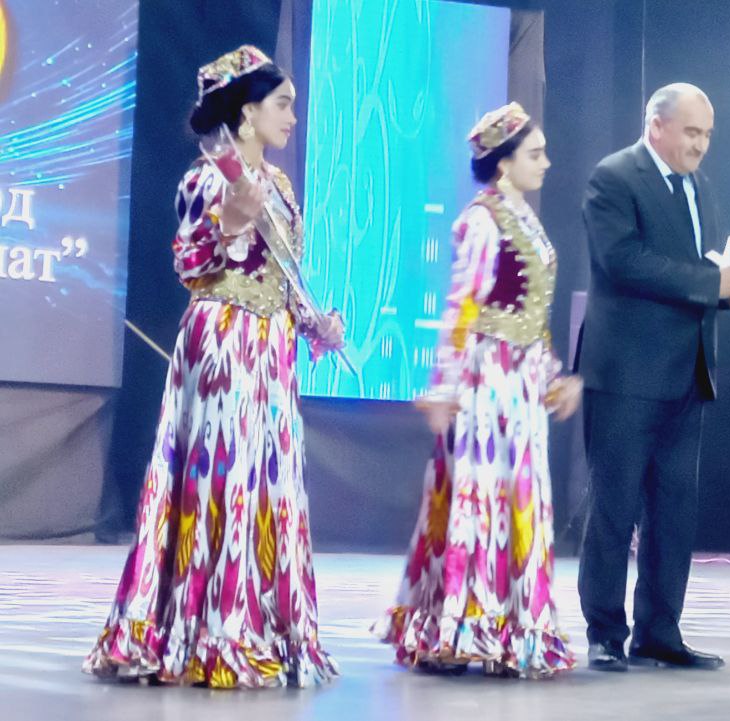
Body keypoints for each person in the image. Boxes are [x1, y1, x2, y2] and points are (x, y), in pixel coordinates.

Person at [84, 45, 346, 688]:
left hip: (272, 350)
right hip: (224, 343)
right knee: (222, 479)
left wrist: (315, 322)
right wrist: (228, 224)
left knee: (269, 484)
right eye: (282, 104)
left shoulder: (279, 185)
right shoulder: (208, 179)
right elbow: (191, 265)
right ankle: (210, 627)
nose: (292, 116)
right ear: (247, 112)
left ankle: (263, 625)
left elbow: (280, 275)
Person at [375, 102, 579, 680]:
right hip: (486, 377)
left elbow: (533, 314)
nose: (546, 163)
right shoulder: (482, 220)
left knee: (518, 498)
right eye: (535, 154)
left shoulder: (526, 220)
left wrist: (550, 376)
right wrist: (445, 385)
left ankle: (509, 629)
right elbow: (463, 306)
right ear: (504, 163)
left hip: (520, 379)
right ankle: (458, 628)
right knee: (478, 497)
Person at [575, 83, 730, 672]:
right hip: (626, 373)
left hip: (688, 371)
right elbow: (623, 262)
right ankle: (605, 632)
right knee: (614, 507)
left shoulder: (700, 186)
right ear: (656, 125)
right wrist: (711, 283)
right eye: (691, 132)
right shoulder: (614, 177)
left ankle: (659, 631)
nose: (701, 145)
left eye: (707, 135)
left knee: (674, 511)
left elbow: (705, 263)